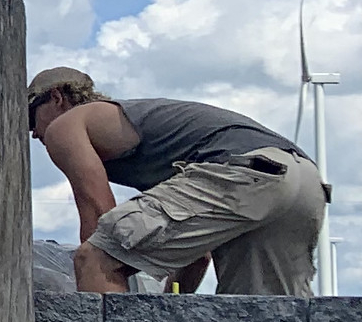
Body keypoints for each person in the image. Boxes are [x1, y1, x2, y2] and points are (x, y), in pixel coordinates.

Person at [28, 68, 328, 296]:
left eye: (31, 118)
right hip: (302, 179)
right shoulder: (145, 135)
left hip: (240, 171)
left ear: (56, 98)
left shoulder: (66, 126)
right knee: (264, 320)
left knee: (96, 257)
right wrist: (172, 308)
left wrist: (95, 272)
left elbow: (97, 220)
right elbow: (197, 254)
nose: (33, 134)